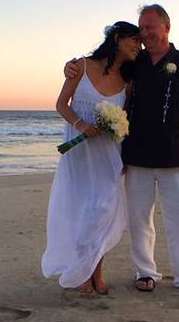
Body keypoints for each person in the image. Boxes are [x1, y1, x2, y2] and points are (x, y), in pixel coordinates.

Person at [65, 5, 179, 294]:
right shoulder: (134, 63)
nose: (145, 34)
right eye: (141, 29)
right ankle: (145, 273)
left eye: (150, 28)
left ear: (166, 27)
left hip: (175, 156)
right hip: (135, 156)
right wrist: (70, 65)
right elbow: (101, 67)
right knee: (139, 220)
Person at [42, 21, 141, 294]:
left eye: (140, 43)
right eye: (134, 40)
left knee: (102, 213)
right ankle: (84, 273)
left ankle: (96, 271)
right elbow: (61, 103)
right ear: (117, 38)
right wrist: (80, 125)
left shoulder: (128, 80)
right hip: (79, 155)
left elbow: (127, 120)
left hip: (109, 156)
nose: (138, 46)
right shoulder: (81, 67)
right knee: (81, 212)